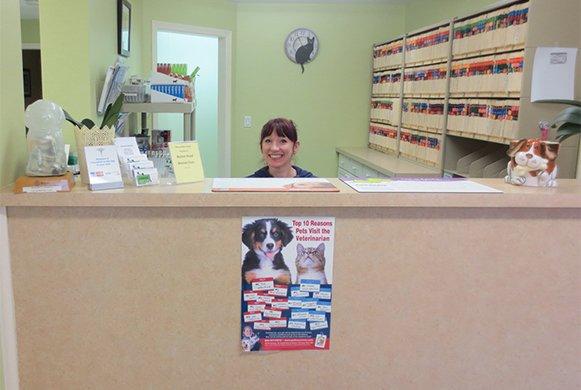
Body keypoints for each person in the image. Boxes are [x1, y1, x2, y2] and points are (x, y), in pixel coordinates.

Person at [247, 118, 315, 178]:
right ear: (261, 147)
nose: (274, 148)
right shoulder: (247, 185)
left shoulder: (313, 185)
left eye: (283, 141)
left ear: (295, 147)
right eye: (268, 141)